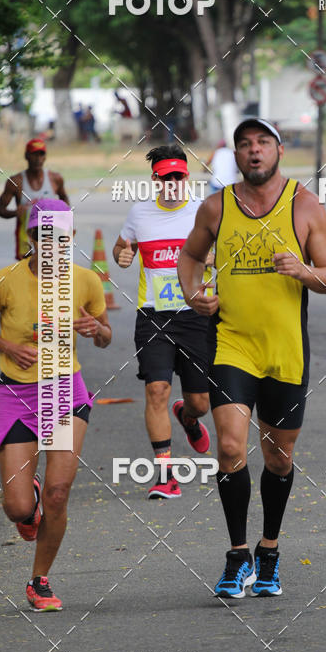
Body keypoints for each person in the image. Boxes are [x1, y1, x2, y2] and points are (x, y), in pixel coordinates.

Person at [178, 118, 326, 598]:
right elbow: (190, 257)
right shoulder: (216, 207)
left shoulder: (305, 206)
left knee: (278, 457)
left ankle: (268, 550)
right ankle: (238, 557)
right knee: (230, 448)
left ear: (279, 150)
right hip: (232, 344)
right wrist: (192, 293)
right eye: (246, 144)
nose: (254, 151)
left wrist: (304, 271)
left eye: (263, 143)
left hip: (285, 351)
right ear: (235, 154)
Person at [0, 199, 112, 611]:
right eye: (43, 236)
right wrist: (8, 347)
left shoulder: (86, 280)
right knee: (18, 508)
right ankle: (27, 500)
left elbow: (105, 336)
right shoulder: (6, 280)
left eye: (60, 237)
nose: (52, 244)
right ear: (30, 237)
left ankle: (39, 581)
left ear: (71, 237)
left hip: (65, 394)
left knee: (58, 492)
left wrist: (96, 329)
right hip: (17, 395)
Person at [112, 145, 212, 500]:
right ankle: (165, 475)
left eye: (178, 176)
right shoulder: (140, 213)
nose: (172, 183)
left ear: (187, 177)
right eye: (165, 177)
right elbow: (121, 246)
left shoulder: (204, 212)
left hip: (196, 315)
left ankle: (188, 416)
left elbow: (228, 254)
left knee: (201, 402)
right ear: (155, 179)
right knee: (156, 390)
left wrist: (214, 257)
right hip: (153, 316)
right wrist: (122, 255)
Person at [0, 138, 68, 261]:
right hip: (26, 240)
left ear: (45, 157)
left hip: (51, 239)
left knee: (51, 271)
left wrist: (63, 214)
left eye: (41, 154)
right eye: (34, 154)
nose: (38, 159)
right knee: (27, 271)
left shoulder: (55, 179)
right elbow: (0, 209)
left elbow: (64, 198)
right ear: (26, 156)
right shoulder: (16, 182)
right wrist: (15, 213)